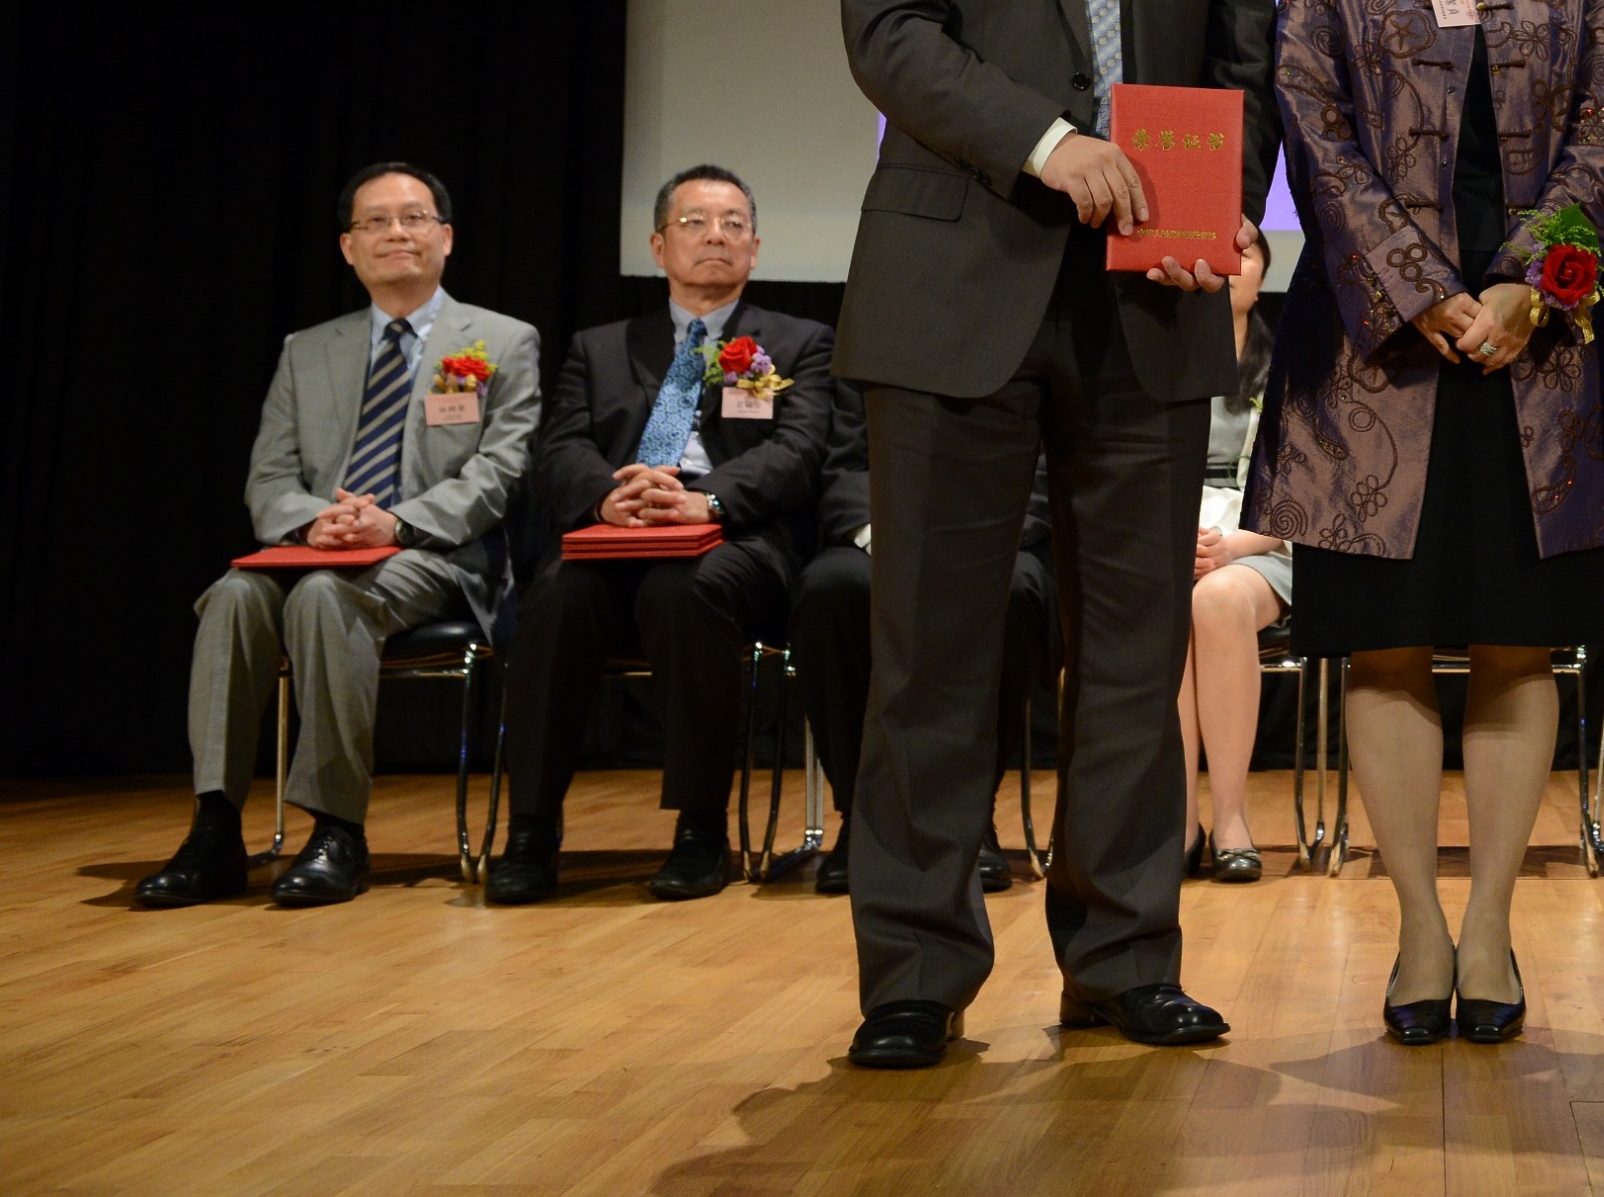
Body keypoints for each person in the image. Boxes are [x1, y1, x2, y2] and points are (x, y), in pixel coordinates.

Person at [837, 0, 1277, 1067]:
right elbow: (890, 29)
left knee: (1135, 652)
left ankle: (1123, 958)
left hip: (1151, 307)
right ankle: (912, 976)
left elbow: (1246, 71)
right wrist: (1047, 144)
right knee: (936, 653)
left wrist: (1230, 219)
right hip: (959, 288)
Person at [1246, 0, 1604, 1048]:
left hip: (1538, 353)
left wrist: (1527, 295)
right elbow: (1310, 129)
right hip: (1378, 356)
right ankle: (1419, 928)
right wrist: (1425, 295)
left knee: (1524, 646)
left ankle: (1493, 931)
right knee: (1386, 645)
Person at [138, 164, 540, 908]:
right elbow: (268, 477)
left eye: (414, 218)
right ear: (347, 247)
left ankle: (337, 829)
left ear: (445, 238)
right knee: (230, 596)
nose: (395, 232)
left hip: (434, 555)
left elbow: (501, 471)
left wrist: (395, 520)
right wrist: (312, 519)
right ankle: (215, 827)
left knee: (325, 598)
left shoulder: (502, 341)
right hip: (319, 546)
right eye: (375, 222)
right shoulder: (307, 348)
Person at [485, 166, 836, 904]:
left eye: (734, 223)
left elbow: (799, 452)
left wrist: (702, 503)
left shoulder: (801, 343)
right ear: (657, 244)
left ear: (756, 246)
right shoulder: (600, 345)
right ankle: (531, 830)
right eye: (696, 222)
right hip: (617, 533)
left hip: (732, 545)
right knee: (555, 593)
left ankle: (700, 828)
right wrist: (614, 499)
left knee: (688, 589)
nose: (717, 235)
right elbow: (558, 450)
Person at [789, 387, 1033, 898]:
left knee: (1013, 591)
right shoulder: (881, 341)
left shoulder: (1025, 339)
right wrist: (888, 539)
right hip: (877, 532)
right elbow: (844, 464)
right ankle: (861, 817)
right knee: (832, 590)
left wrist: (973, 542)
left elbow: (1048, 466)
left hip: (993, 534)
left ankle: (972, 817)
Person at [1179, 229, 1285, 883]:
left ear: (1262, 273)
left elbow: (1308, 489)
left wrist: (1235, 546)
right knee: (1167, 602)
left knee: (1216, 598)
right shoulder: (1164, 357)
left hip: (1266, 543)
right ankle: (1177, 823)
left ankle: (1232, 817)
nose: (1227, 265)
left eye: (1241, 253)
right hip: (1178, 542)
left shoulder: (1292, 364)